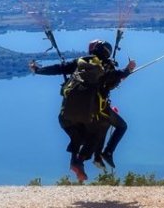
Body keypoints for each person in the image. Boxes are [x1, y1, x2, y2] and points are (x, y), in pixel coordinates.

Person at [29, 39, 135, 181]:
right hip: (90, 114)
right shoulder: (106, 67)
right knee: (97, 134)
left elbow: (59, 68)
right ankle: (101, 155)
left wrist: (38, 70)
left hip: (66, 114)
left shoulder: (81, 62)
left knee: (78, 136)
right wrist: (128, 70)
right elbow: (112, 79)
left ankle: (77, 163)